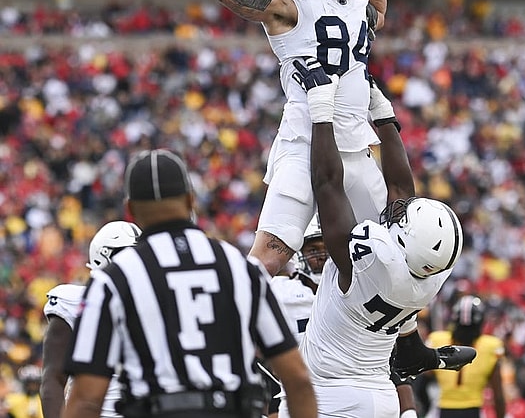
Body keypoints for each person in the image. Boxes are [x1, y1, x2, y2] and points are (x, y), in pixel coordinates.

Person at [279, 58, 476, 418]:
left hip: (330, 397)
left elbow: (327, 183)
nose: (398, 212)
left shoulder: (369, 262)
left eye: (403, 220)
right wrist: (384, 115)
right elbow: (400, 189)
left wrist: (321, 111)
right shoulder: (429, 274)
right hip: (381, 395)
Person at [62, 149, 317, 418]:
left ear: (130, 210)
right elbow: (297, 378)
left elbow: (86, 399)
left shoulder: (113, 280)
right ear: (190, 200)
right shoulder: (240, 268)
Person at [207, 0, 391, 279]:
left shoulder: (358, 1)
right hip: (305, 145)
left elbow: (379, 11)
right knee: (265, 262)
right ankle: (228, 321)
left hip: (357, 149)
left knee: (385, 263)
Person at [264, 216, 418, 418]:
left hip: (351, 385)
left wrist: (408, 409)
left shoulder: (358, 288)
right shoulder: (281, 291)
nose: (322, 256)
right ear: (299, 254)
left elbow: (388, 358)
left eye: (326, 248)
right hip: (295, 390)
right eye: (313, 250)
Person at [41, 220, 141, 418]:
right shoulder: (74, 301)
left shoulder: (155, 303)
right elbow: (53, 378)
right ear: (102, 256)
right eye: (128, 254)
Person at [427, 295, 507, 418]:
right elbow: (498, 395)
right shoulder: (491, 346)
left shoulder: (437, 340)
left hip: (442, 410)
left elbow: (423, 377)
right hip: (473, 411)